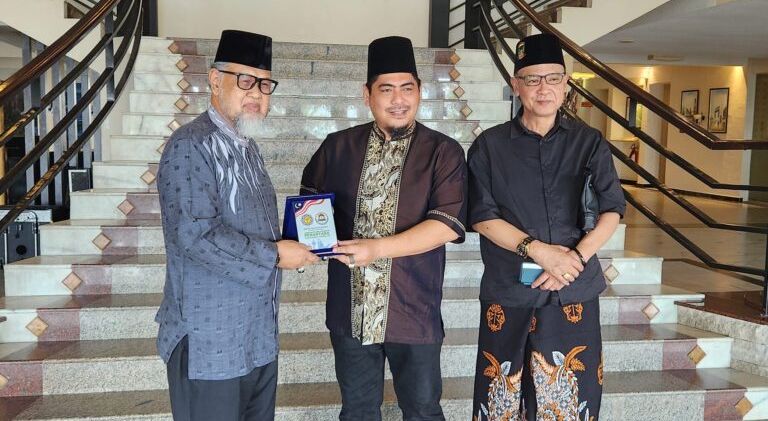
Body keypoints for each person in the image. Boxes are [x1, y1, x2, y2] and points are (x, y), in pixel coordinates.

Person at [300, 36, 468, 421]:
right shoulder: (336, 147)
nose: (398, 99)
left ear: (420, 93)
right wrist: (307, 243)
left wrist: (376, 249)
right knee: (358, 411)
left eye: (407, 88)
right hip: (351, 308)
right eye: (386, 89)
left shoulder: (443, 151)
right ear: (367, 94)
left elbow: (446, 225)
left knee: (423, 409)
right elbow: (310, 211)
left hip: (413, 308)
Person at [155, 29, 319, 421]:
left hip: (256, 336)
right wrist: (277, 254)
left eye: (264, 85)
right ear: (215, 81)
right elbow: (193, 234)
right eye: (245, 81)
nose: (257, 94)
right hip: (210, 341)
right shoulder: (190, 144)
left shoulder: (248, 146)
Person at [467, 33, 625, 420]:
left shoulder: (589, 142)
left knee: (572, 398)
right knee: (501, 397)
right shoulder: (489, 146)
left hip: (573, 289)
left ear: (566, 84)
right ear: (515, 85)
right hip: (510, 290)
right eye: (533, 79)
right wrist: (538, 251)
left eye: (553, 78)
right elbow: (483, 217)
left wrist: (573, 259)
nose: (543, 89)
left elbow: (613, 210)